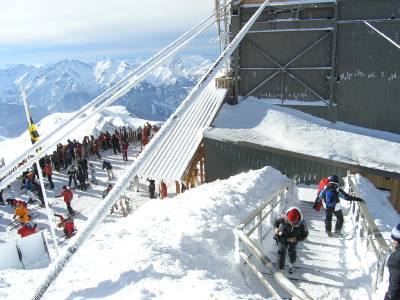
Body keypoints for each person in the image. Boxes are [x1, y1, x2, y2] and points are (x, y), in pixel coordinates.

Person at [274, 207, 308, 273]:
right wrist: (276, 228)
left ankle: (292, 263)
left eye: (292, 223)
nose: (290, 223)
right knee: (281, 251)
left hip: (293, 238)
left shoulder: (302, 224)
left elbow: (305, 235)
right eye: (289, 221)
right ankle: (280, 268)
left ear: (297, 220)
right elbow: (276, 220)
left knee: (291, 251)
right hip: (283, 235)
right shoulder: (283, 217)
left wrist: (296, 238)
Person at [385, 223, 400, 300]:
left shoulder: (395, 259)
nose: (392, 242)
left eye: (394, 239)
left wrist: (388, 297)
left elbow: (394, 288)